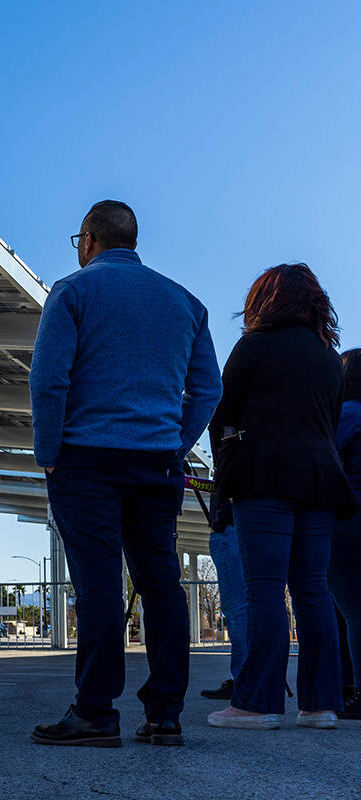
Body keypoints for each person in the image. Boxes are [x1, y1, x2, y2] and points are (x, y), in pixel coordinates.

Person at [29, 200, 221, 747]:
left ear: (89, 240)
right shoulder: (187, 304)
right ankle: (165, 715)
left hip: (86, 459)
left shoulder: (73, 292)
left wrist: (49, 452)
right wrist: (173, 442)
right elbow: (208, 389)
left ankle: (94, 712)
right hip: (156, 464)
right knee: (160, 584)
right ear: (132, 242)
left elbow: (48, 381)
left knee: (99, 586)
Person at [207, 263, 355, 730]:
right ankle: (321, 705)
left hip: (265, 480)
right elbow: (327, 426)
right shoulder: (329, 357)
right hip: (320, 484)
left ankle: (256, 703)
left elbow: (223, 415)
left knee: (265, 590)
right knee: (312, 591)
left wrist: (225, 480)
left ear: (264, 300)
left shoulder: (254, 346)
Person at [330, 348, 361, 719]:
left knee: (351, 609)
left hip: (349, 518)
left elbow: (325, 460)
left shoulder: (345, 415)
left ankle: (352, 687)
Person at [200, 498, 248, 700]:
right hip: (245, 524)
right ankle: (253, 678)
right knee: (248, 607)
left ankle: (243, 681)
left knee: (237, 609)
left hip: (231, 526)